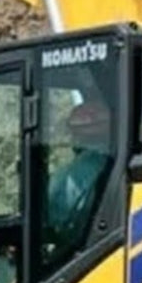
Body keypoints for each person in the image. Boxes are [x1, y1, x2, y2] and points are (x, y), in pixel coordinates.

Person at [44, 99, 113, 256]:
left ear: (75, 134)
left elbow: (51, 218)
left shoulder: (73, 175)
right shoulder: (111, 163)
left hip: (79, 249)